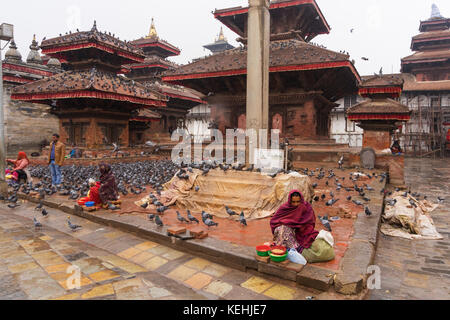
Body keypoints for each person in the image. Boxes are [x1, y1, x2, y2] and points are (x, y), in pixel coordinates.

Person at [270, 190, 335, 264]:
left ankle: (296, 249)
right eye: (293, 202)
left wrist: (301, 228)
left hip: (301, 231)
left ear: (301, 200)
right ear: (289, 200)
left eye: (298, 201)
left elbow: (310, 222)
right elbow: (274, 221)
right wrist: (288, 224)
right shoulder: (285, 208)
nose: (296, 204)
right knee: (282, 229)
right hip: (289, 232)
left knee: (316, 244)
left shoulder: (306, 207)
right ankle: (292, 248)